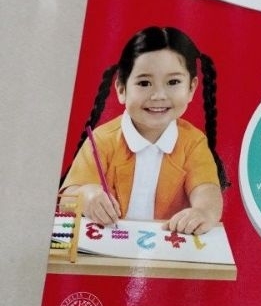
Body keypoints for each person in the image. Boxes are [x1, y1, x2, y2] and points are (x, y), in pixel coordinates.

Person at [60, 26, 228, 235]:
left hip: (167, 249)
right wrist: (88, 197)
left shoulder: (193, 142)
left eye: (173, 82)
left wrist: (203, 212)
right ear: (121, 89)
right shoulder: (101, 140)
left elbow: (207, 190)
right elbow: (67, 198)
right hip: (108, 248)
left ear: (191, 88)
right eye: (144, 83)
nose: (158, 95)